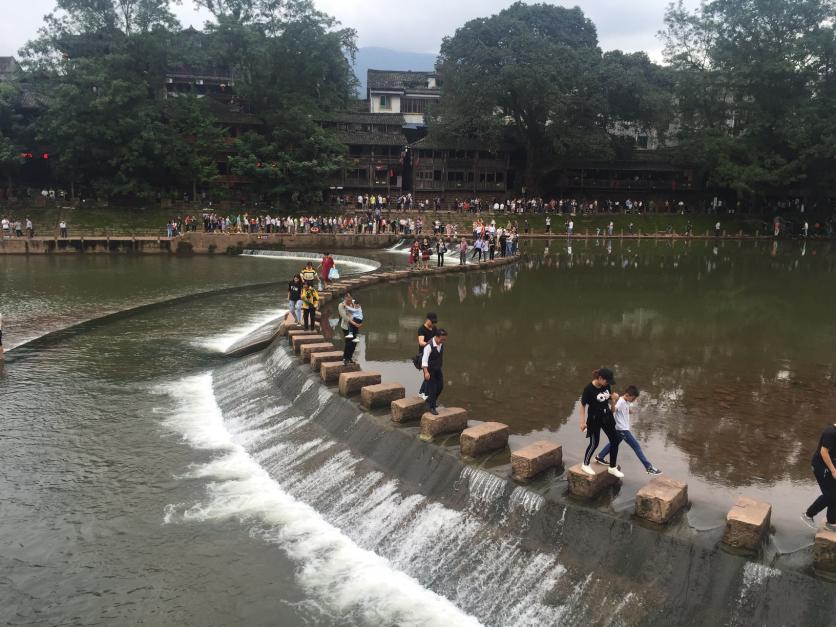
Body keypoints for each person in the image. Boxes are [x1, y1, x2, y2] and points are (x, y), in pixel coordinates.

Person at [595, 386, 661, 474]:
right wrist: (613, 401)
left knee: (614, 443)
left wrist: (628, 410)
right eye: (633, 398)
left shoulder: (625, 400)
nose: (633, 400)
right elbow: (612, 410)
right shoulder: (621, 401)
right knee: (636, 447)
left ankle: (600, 456)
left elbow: (624, 406)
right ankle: (648, 467)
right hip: (623, 430)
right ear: (628, 395)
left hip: (619, 429)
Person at [579, 368, 623, 478]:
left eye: (608, 382)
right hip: (594, 419)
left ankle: (612, 467)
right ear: (599, 378)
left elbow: (611, 406)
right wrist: (582, 422)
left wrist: (613, 400)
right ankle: (585, 464)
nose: (607, 383)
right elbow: (583, 405)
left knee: (615, 440)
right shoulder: (588, 389)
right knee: (595, 443)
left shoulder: (606, 386)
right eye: (606, 381)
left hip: (607, 416)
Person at [801, 421, 836, 532]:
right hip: (821, 467)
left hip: (830, 467)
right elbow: (824, 452)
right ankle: (808, 515)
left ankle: (831, 522)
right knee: (830, 494)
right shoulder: (830, 433)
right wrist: (833, 470)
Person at [421, 328, 448, 415]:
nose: (443, 341)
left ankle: (430, 400)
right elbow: (424, 360)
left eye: (444, 339)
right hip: (429, 370)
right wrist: (426, 372)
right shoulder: (429, 346)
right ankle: (432, 407)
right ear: (436, 337)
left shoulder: (441, 344)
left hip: (437, 369)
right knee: (432, 388)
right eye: (442, 339)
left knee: (440, 386)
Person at [417, 313, 438, 399]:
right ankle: (425, 394)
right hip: (424, 355)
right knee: (428, 375)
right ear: (427, 319)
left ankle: (422, 393)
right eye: (431, 322)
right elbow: (421, 342)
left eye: (434, 322)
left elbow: (437, 339)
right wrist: (431, 345)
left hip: (433, 355)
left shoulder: (434, 328)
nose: (432, 324)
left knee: (430, 375)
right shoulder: (421, 329)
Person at [338, 292, 357, 364]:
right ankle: (345, 358)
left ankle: (350, 357)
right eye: (348, 297)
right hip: (346, 326)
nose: (349, 299)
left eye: (350, 297)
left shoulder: (354, 303)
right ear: (345, 298)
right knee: (349, 342)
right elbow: (344, 316)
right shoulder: (341, 305)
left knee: (354, 342)